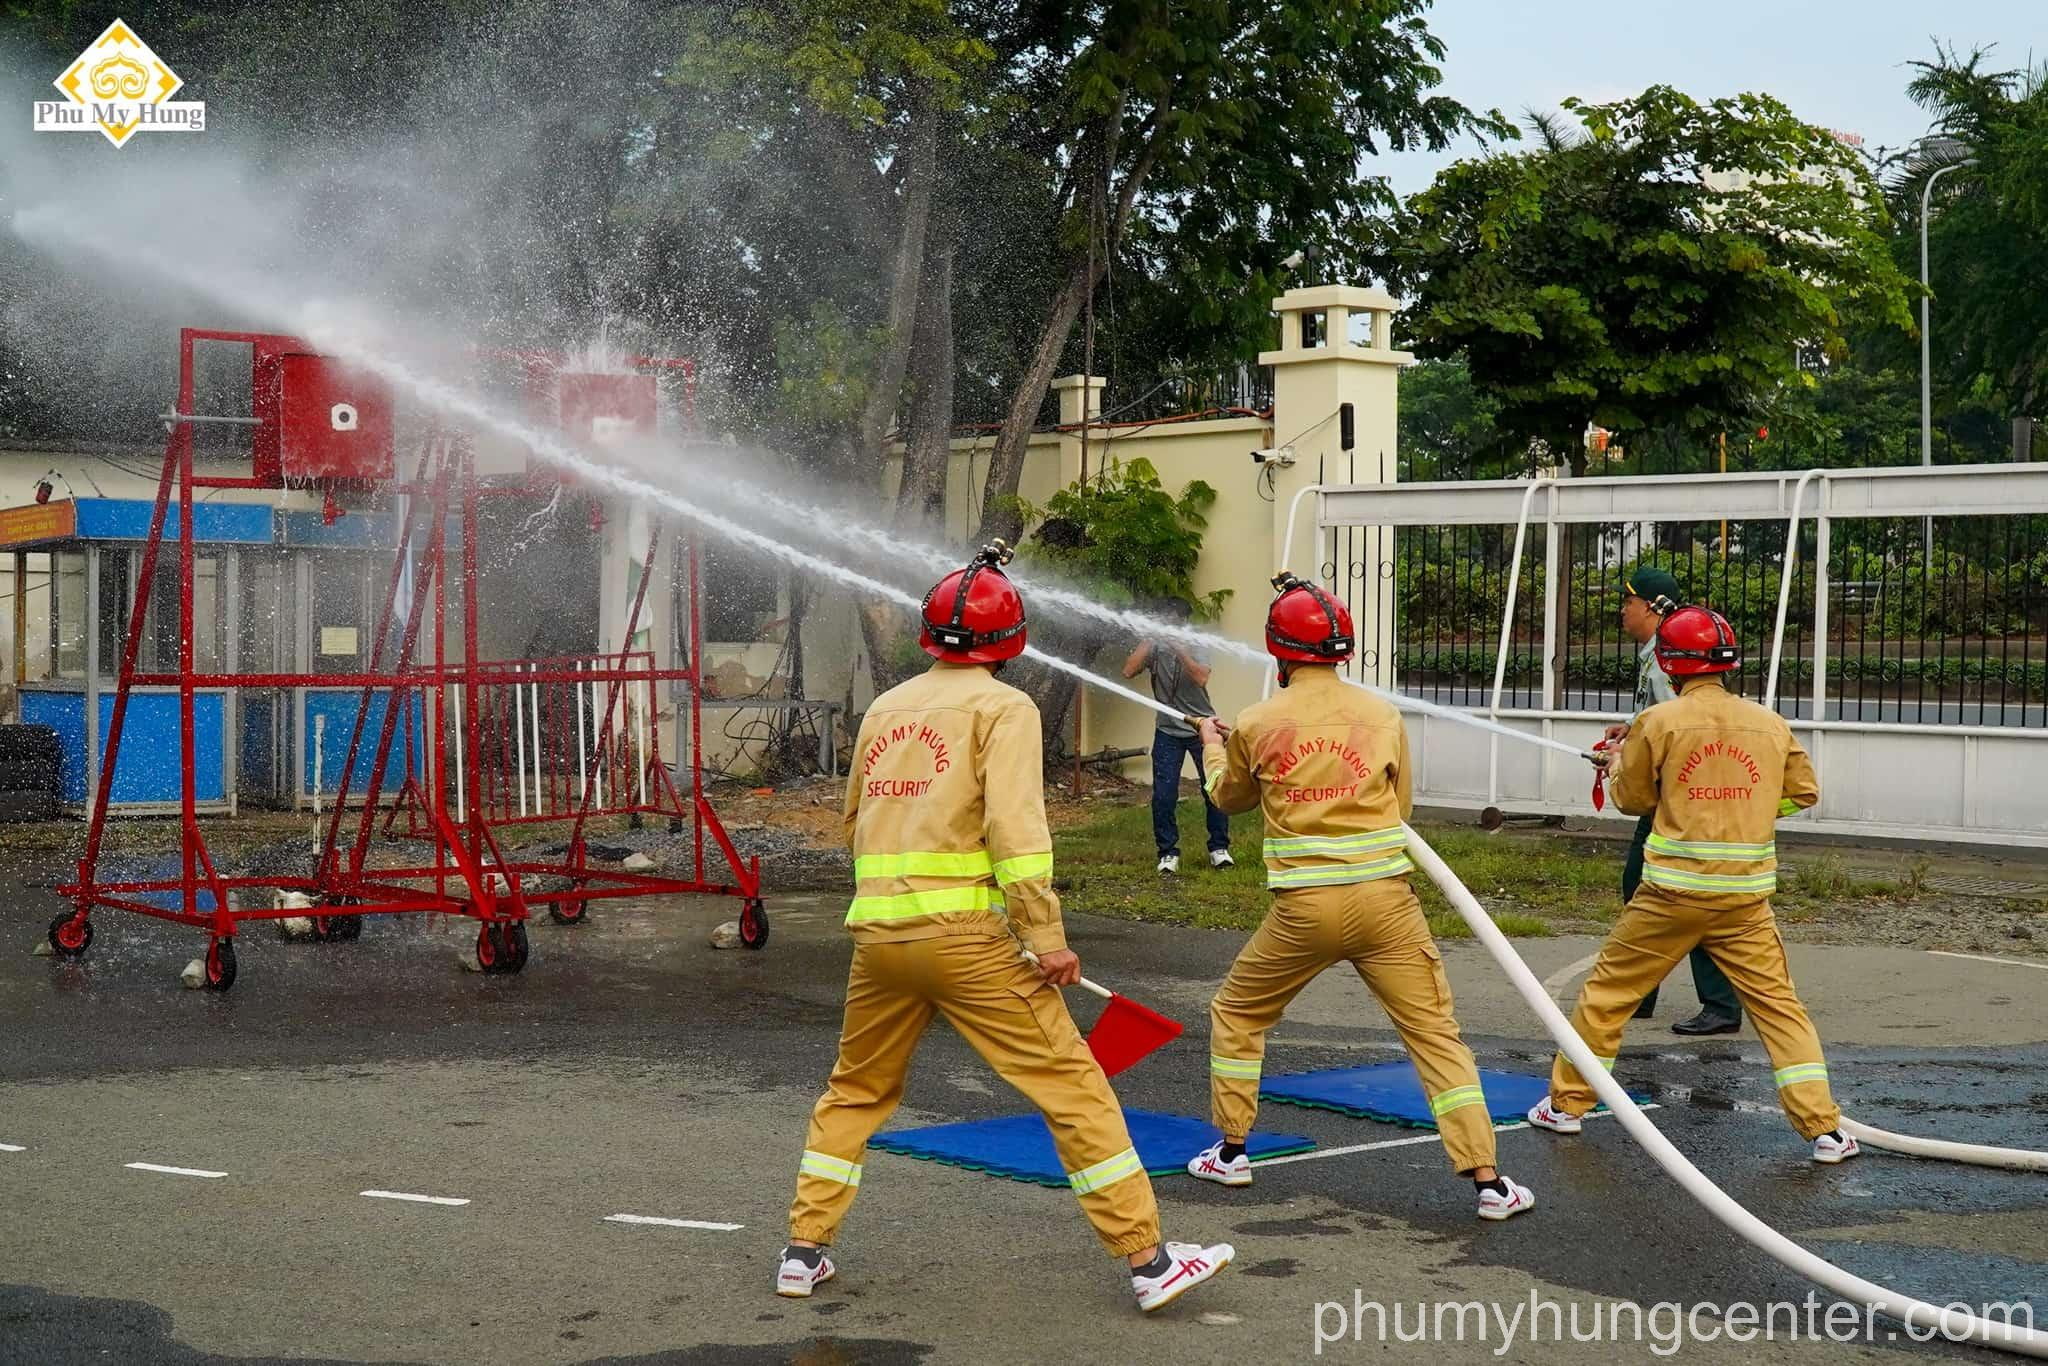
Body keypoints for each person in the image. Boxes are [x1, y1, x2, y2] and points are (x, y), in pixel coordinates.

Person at [779, 544, 1234, 1313]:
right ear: (1010, 641)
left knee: (855, 1089)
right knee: (1073, 1088)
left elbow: (855, 822)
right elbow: (1017, 832)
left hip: (880, 939)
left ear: (929, 637)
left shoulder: (886, 709)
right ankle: (1150, 1261)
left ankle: (802, 1250)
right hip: (965, 941)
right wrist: (1045, 934)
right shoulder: (1004, 708)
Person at [1182, 572, 1536, 1222]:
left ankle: (1230, 1152)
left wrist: (1213, 746)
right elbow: (1398, 808)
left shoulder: (1258, 722)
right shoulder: (1380, 714)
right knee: (1434, 1035)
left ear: (1278, 650)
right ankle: (1490, 1182)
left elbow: (1228, 797)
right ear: (1342, 648)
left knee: (1236, 1012)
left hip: (1303, 912)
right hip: (1386, 906)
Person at [1529, 607, 1859, 1165]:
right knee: (1780, 1011)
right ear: (1728, 663)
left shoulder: (1658, 723)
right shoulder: (1769, 724)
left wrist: (1616, 764)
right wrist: (1751, 808)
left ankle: (1566, 1107)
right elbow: (1803, 792)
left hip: (1668, 898)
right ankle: (1824, 1130)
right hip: (1744, 900)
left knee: (1607, 997)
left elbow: (1633, 800)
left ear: (1668, 662)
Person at [1611, 567, 1743, 1037]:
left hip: (1676, 803)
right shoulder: (1657, 652)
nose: (1622, 609)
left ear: (1651, 606)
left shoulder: (1671, 656)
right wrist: (1630, 730)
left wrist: (1631, 760)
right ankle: (1642, 993)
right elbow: (1660, 718)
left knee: (1684, 897)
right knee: (1645, 888)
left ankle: (1719, 1005)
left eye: (1629, 601)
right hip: (1672, 799)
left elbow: (1680, 728)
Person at [1123, 603, 1233, 875]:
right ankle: (1168, 853)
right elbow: (1128, 670)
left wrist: (1179, 648)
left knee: (1214, 789)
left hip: (1203, 729)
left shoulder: (1197, 643)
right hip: (1167, 731)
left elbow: (1201, 677)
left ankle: (1219, 849)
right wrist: (1150, 638)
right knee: (1164, 795)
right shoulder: (1154, 647)